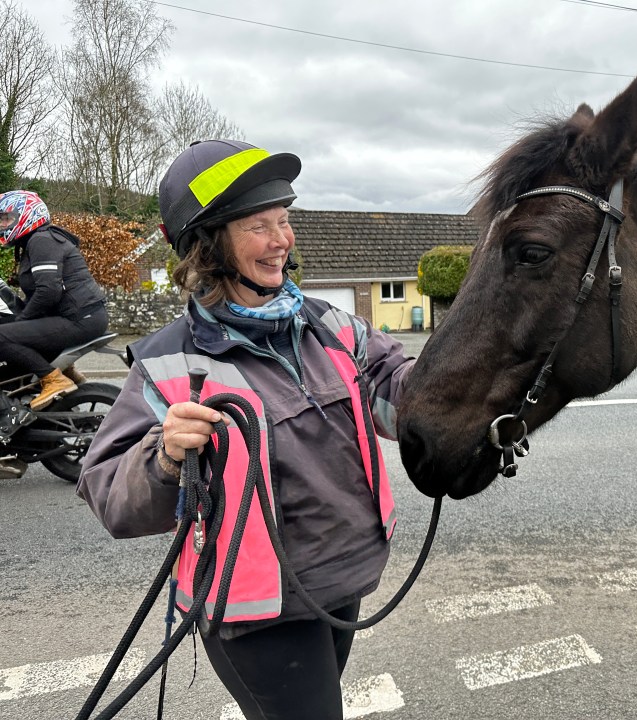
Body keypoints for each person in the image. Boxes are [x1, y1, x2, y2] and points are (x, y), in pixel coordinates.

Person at [77, 140, 415, 720]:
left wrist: (475, 369)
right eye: (259, 225)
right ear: (208, 247)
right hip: (256, 614)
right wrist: (163, 460)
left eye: (284, 221)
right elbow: (108, 491)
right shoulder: (169, 364)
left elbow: (401, 394)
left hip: (340, 582)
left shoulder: (331, 327)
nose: (282, 239)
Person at [0, 190, 107, 409]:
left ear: (27, 215)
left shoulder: (42, 239)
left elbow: (48, 291)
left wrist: (22, 321)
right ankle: (63, 371)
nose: (3, 225)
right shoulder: (34, 242)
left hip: (79, 319)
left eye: (6, 218)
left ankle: (54, 379)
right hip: (80, 317)